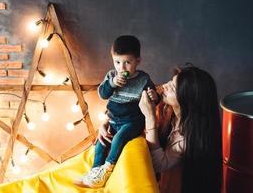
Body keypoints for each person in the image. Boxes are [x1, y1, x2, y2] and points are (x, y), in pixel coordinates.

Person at [98, 65, 222, 193]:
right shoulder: (162, 102)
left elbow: (157, 165)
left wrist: (150, 117)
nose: (166, 85)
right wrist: (107, 122)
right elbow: (127, 106)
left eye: (173, 87)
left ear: (187, 101)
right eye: (171, 80)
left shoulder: (187, 139)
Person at [75, 35, 160, 188]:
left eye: (128, 62)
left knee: (118, 138)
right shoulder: (112, 76)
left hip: (132, 121)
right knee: (100, 143)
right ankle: (95, 171)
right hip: (114, 119)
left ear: (138, 61)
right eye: (117, 62)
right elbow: (102, 94)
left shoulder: (143, 79)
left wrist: (155, 96)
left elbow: (154, 98)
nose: (122, 67)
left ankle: (107, 168)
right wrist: (112, 84)